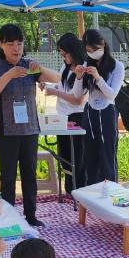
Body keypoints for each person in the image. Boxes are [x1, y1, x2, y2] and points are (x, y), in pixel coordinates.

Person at [0, 23, 61, 228]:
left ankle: (31, 216)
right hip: (6, 131)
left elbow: (58, 78)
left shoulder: (29, 66)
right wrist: (10, 74)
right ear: (1, 45)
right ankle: (8, 217)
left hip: (30, 130)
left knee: (30, 175)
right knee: (8, 177)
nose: (16, 48)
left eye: (19, 43)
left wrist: (40, 69)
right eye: (10, 44)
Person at [71, 29, 125, 185]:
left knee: (107, 154)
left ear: (103, 44)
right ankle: (92, 192)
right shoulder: (87, 64)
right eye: (88, 50)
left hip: (107, 112)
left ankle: (111, 191)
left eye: (94, 49)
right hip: (90, 112)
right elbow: (77, 94)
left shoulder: (117, 66)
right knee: (90, 155)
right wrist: (78, 77)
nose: (92, 53)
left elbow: (111, 94)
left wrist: (98, 77)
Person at [42, 33, 88, 194]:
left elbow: (78, 100)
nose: (64, 57)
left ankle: (79, 192)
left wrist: (55, 93)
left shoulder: (83, 69)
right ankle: (69, 191)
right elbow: (62, 88)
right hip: (63, 117)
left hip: (77, 118)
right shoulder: (66, 67)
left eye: (65, 54)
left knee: (78, 159)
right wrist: (49, 87)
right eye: (61, 54)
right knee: (64, 157)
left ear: (74, 51)